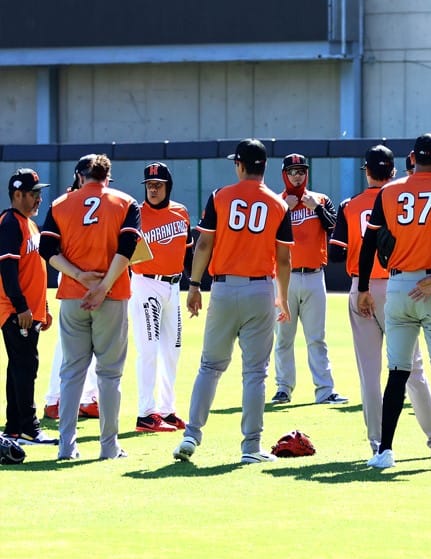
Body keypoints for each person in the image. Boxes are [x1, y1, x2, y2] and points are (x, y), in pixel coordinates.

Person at [354, 133, 431, 469]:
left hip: (397, 284)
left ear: (412, 158)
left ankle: (384, 452)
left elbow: (369, 245)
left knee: (397, 372)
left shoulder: (388, 192)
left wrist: (364, 287)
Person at [173, 138, 293, 464]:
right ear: (264, 167)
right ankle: (251, 447)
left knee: (209, 366)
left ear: (240, 165)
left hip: (224, 289)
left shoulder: (220, 196)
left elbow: (202, 245)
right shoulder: (279, 204)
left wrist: (195, 284)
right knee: (255, 372)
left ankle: (191, 434)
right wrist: (282, 298)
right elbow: (283, 260)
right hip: (259, 290)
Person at [329, 145, 431, 457]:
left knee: (370, 371)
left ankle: (377, 444)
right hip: (401, 286)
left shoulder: (350, 205)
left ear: (366, 171)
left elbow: (337, 252)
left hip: (363, 286)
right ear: (393, 170)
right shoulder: (399, 195)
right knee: (412, 369)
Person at [40, 154, 140, 461]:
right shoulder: (126, 202)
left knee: (71, 373)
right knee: (109, 374)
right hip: (112, 295)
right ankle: (109, 446)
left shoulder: (59, 204)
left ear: (80, 176)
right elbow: (127, 248)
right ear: (107, 177)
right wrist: (103, 287)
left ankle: (66, 446)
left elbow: (47, 249)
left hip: (73, 294)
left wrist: (79, 276)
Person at [271, 154, 347, 406]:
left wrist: (317, 208)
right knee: (284, 336)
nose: (297, 176)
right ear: (284, 174)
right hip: (285, 278)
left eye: (301, 171)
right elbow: (265, 235)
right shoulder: (275, 203)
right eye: (292, 171)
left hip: (314, 275)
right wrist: (286, 209)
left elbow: (336, 227)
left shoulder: (320, 199)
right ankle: (283, 388)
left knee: (317, 337)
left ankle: (325, 390)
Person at [128, 162, 192, 433]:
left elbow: (187, 252)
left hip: (173, 286)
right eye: (150, 185)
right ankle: (145, 413)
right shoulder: (135, 214)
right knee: (149, 349)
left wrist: (196, 287)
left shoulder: (181, 212)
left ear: (168, 186)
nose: (153, 190)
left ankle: (166, 410)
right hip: (145, 284)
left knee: (172, 350)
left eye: (158, 185)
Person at [0, 169, 58, 446]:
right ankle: (28, 428)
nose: (38, 199)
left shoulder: (28, 223)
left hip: (27, 311)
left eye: (39, 193)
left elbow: (34, 269)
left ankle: (13, 428)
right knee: (26, 366)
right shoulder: (10, 222)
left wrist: (42, 307)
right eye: (33, 194)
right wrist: (22, 308)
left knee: (19, 367)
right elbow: (7, 269)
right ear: (17, 194)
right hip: (15, 311)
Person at [41, 157, 101, 422]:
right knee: (67, 349)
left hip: (91, 284)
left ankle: (87, 398)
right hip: (73, 282)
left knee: (93, 347)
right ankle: (54, 399)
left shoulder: (78, 202)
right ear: (79, 177)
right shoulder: (67, 203)